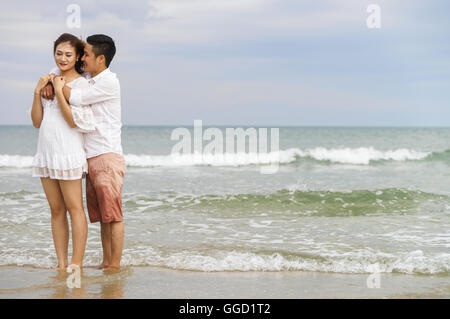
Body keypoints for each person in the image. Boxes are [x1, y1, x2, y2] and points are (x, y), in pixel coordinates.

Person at [59, 34, 126, 272]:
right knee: (102, 218)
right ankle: (106, 262)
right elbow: (67, 72)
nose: (82, 58)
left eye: (86, 54)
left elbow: (75, 97)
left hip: (106, 156)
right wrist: (49, 83)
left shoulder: (108, 82)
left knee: (113, 215)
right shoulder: (90, 77)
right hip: (91, 158)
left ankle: (114, 265)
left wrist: (55, 87)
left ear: (101, 58)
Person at [31, 33, 95, 270]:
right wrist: (38, 91)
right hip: (47, 152)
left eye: (68, 54)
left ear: (77, 56)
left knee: (75, 209)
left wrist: (59, 91)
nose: (63, 58)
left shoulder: (81, 85)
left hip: (68, 153)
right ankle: (61, 264)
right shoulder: (49, 80)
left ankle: (76, 263)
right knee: (56, 210)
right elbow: (37, 122)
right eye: (59, 53)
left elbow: (73, 123)